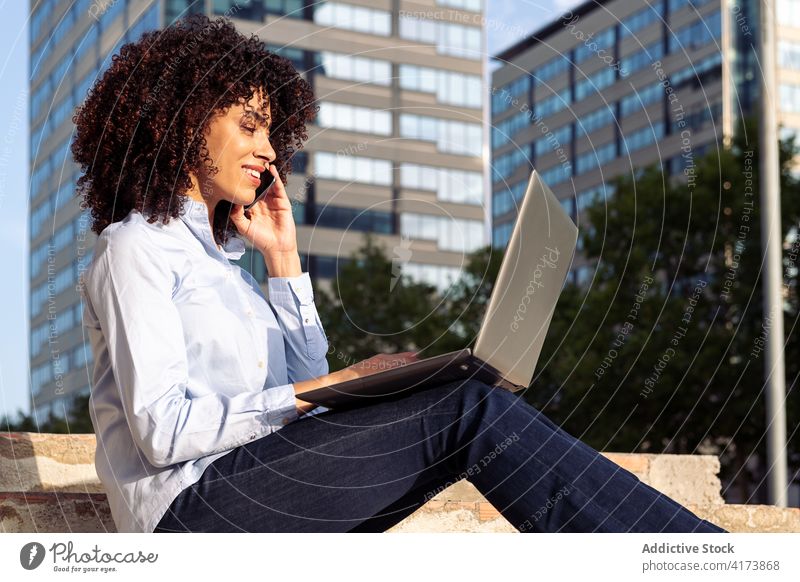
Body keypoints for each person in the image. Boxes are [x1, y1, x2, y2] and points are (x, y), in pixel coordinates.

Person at [72, 14, 725, 534]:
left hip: (260, 494)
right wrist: (333, 384)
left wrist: (283, 261)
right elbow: (162, 433)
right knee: (463, 406)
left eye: (272, 130)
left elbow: (300, 387)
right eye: (249, 125)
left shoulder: (229, 270)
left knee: (463, 399)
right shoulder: (134, 249)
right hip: (192, 516)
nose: (269, 148)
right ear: (184, 122)